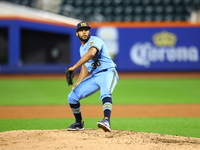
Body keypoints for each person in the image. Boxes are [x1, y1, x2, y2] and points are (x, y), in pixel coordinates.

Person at [66, 22, 118, 132]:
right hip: (95, 76)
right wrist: (79, 81)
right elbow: (86, 66)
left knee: (105, 93)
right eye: (81, 30)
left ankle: (106, 120)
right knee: (72, 96)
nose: (84, 32)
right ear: (77, 34)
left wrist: (75, 66)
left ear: (89, 32)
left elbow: (91, 53)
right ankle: (79, 123)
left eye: (86, 29)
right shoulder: (82, 48)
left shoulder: (95, 40)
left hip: (107, 72)